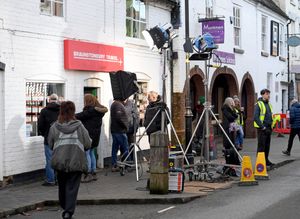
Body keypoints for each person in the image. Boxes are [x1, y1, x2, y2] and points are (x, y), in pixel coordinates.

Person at [48, 101, 91, 219]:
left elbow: (50, 143)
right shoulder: (79, 126)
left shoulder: (54, 127)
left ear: (60, 111)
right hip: (76, 161)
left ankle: (64, 206)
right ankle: (68, 211)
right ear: (73, 111)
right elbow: (88, 143)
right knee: (72, 187)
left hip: (60, 161)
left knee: (62, 186)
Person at [76, 94, 108, 182]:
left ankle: (88, 173)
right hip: (96, 136)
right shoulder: (98, 111)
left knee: (87, 154)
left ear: (88, 101)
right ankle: (93, 172)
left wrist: (69, 115)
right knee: (91, 153)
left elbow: (79, 116)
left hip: (88, 136)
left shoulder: (90, 110)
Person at [38, 93, 60, 186]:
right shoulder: (62, 110)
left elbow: (40, 125)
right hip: (60, 138)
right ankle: (58, 179)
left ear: (49, 100)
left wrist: (44, 134)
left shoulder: (44, 111)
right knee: (59, 159)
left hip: (48, 138)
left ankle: (50, 180)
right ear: (57, 100)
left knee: (50, 159)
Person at [254, 88, 274, 167]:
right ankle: (259, 162)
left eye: (269, 94)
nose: (268, 95)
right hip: (262, 129)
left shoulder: (269, 104)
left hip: (269, 128)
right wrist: (262, 127)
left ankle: (266, 160)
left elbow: (270, 116)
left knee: (267, 145)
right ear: (262, 95)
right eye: (266, 94)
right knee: (261, 146)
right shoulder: (259, 104)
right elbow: (256, 117)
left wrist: (272, 125)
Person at [221, 97, 240, 173]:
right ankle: (229, 162)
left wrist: (234, 109)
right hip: (227, 128)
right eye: (232, 102)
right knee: (228, 144)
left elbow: (236, 115)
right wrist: (234, 115)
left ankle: (234, 162)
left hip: (231, 129)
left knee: (233, 144)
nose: (233, 103)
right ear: (229, 102)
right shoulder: (225, 108)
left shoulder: (231, 109)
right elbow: (231, 117)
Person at [110, 99, 129, 172]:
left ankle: (114, 164)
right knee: (125, 148)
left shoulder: (114, 104)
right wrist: (125, 126)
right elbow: (119, 117)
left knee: (115, 148)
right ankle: (127, 165)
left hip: (115, 130)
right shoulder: (118, 105)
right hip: (120, 131)